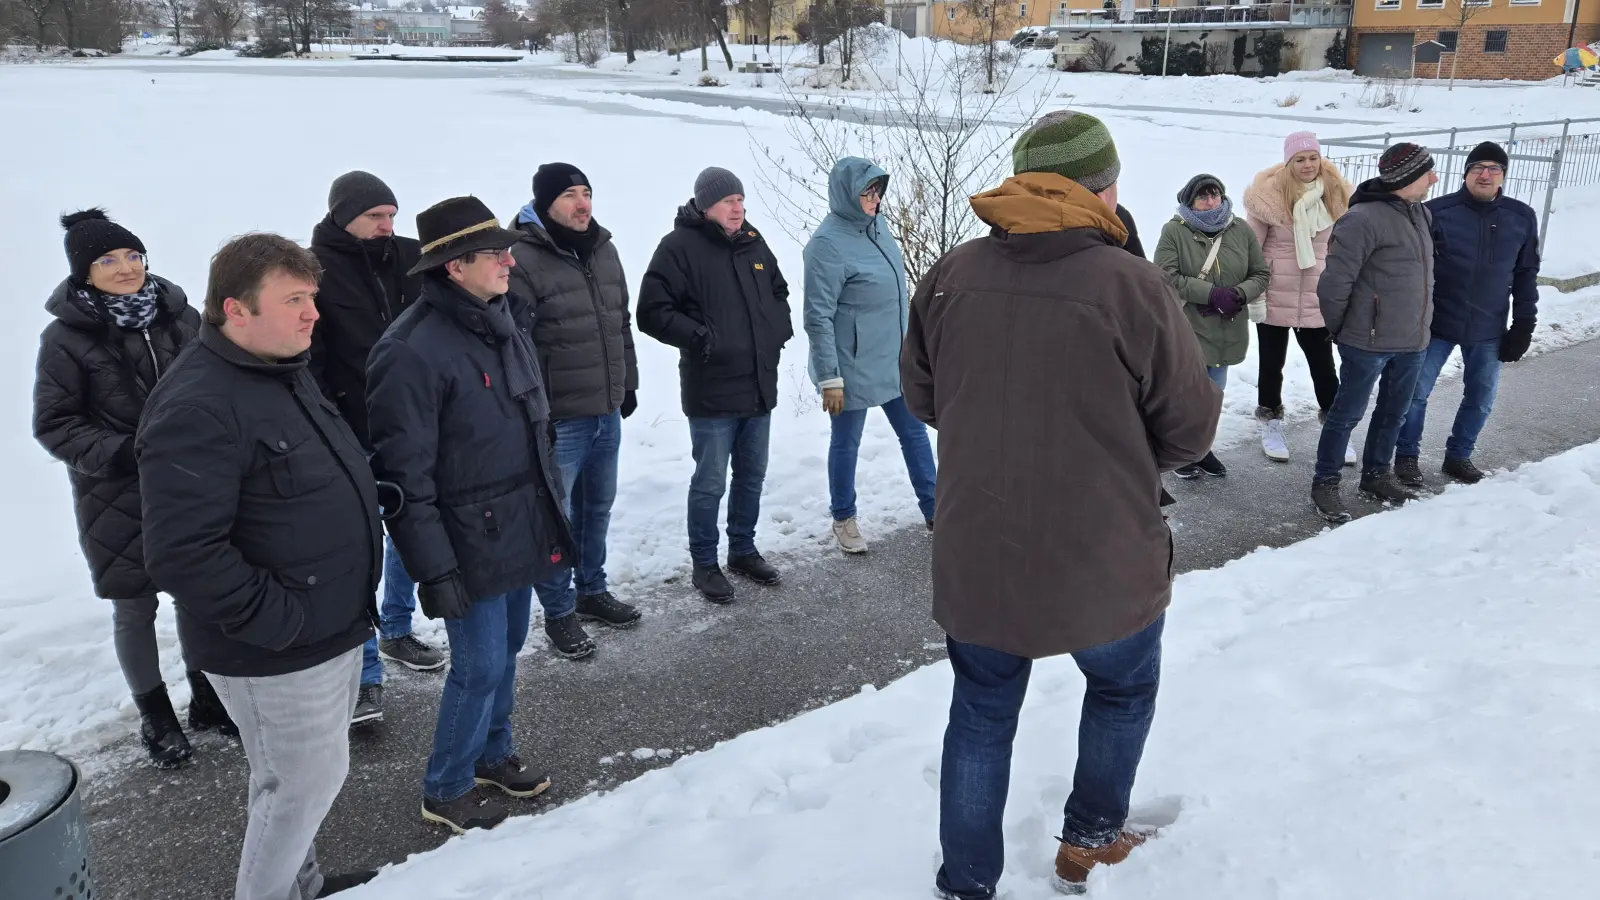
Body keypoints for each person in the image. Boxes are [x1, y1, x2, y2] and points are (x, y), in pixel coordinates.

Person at [902, 111, 1220, 900]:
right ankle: (1090, 841)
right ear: (1103, 189)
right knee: (1121, 688)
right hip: (1103, 552)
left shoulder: (950, 274)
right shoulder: (1129, 283)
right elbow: (1189, 427)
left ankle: (967, 885)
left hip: (979, 548)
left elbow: (923, 396)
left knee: (980, 713)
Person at [137, 233, 379, 898]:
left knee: (290, 781)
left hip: (327, 624)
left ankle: (301, 884)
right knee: (300, 785)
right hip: (277, 647)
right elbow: (183, 553)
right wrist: (283, 622)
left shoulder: (279, 368)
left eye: (313, 297)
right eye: (294, 299)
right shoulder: (199, 404)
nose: (313, 314)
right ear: (235, 310)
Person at [366, 196, 570, 834]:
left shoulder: (502, 320)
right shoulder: (411, 350)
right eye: (496, 254)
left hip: (517, 518)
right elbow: (403, 480)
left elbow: (534, 428)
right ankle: (446, 785)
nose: (512, 261)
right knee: (479, 664)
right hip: (465, 536)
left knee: (507, 650)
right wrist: (434, 568)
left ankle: (492, 754)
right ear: (455, 267)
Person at [32, 209, 232, 771]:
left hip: (192, 482)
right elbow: (56, 425)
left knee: (198, 592)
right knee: (134, 604)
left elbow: (219, 382)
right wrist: (124, 453)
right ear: (84, 272)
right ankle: (157, 716)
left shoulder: (182, 316)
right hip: (116, 493)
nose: (125, 268)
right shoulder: (65, 338)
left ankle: (208, 699)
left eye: (132, 256)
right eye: (108, 260)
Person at [309, 170, 445, 727]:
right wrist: (330, 426)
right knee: (360, 552)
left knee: (412, 531)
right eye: (374, 217)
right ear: (344, 216)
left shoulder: (410, 257)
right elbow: (311, 359)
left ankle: (395, 629)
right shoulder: (314, 268)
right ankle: (364, 677)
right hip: (352, 431)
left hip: (415, 424)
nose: (387, 227)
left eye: (391, 215)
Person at [637, 168, 792, 603]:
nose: (738, 207)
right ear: (706, 206)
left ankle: (743, 550)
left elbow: (778, 292)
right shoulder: (679, 248)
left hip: (758, 383)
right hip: (712, 390)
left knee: (752, 475)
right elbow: (651, 311)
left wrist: (776, 332)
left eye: (741, 199)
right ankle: (705, 564)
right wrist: (704, 338)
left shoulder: (753, 243)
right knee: (710, 482)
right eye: (728, 201)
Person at [509, 163, 642, 661]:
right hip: (559, 418)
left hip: (605, 408)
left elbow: (620, 323)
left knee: (596, 508)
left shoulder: (604, 249)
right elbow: (516, 346)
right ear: (546, 203)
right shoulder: (521, 258)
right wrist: (536, 412)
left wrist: (627, 382)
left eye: (586, 193)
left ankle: (591, 590)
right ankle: (560, 612)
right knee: (555, 518)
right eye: (569, 195)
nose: (582, 203)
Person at [803, 156, 936, 554]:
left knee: (914, 433)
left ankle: (936, 510)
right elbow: (817, 317)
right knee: (846, 442)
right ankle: (844, 518)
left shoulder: (877, 227)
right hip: (852, 366)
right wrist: (830, 377)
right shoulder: (826, 245)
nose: (875, 199)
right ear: (847, 194)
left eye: (878, 190)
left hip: (893, 359)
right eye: (867, 192)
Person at [1395, 141, 1540, 487]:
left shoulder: (1521, 217)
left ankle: (1459, 455)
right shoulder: (1436, 212)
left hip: (1488, 327)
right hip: (1437, 324)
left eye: (1494, 168)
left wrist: (1523, 325)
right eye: (1478, 167)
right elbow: (1413, 269)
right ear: (1466, 174)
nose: (1485, 174)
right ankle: (1406, 455)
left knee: (1481, 397)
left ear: (1503, 175)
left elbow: (1526, 275)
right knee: (1415, 393)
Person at [1312, 142, 1440, 523]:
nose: (1434, 178)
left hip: (1413, 341)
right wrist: (1344, 330)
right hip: (1366, 342)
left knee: (1393, 412)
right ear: (1405, 179)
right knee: (1345, 415)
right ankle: (1326, 482)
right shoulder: (1362, 220)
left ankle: (1376, 475)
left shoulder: (1421, 214)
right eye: (1427, 172)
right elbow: (1333, 285)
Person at [1243, 132, 1356, 465]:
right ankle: (1272, 423)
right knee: (1270, 365)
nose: (1308, 165)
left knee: (1324, 367)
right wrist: (1256, 291)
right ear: (1289, 162)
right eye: (1300, 159)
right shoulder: (1269, 198)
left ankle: (1336, 430)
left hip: (1317, 297)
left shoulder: (1337, 195)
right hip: (1276, 292)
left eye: (1312, 158)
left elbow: (1344, 248)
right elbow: (1253, 250)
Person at [1154, 173, 1269, 479]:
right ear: (1190, 201)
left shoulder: (1240, 229)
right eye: (1203, 195)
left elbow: (1260, 273)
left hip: (1227, 330)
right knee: (1184, 395)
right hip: (1188, 327)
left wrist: (1237, 294)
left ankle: (1203, 449)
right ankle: (1180, 453)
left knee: (1213, 395)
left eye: (1215, 194)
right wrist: (1210, 294)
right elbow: (1166, 276)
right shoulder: (1174, 232)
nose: (1210, 200)